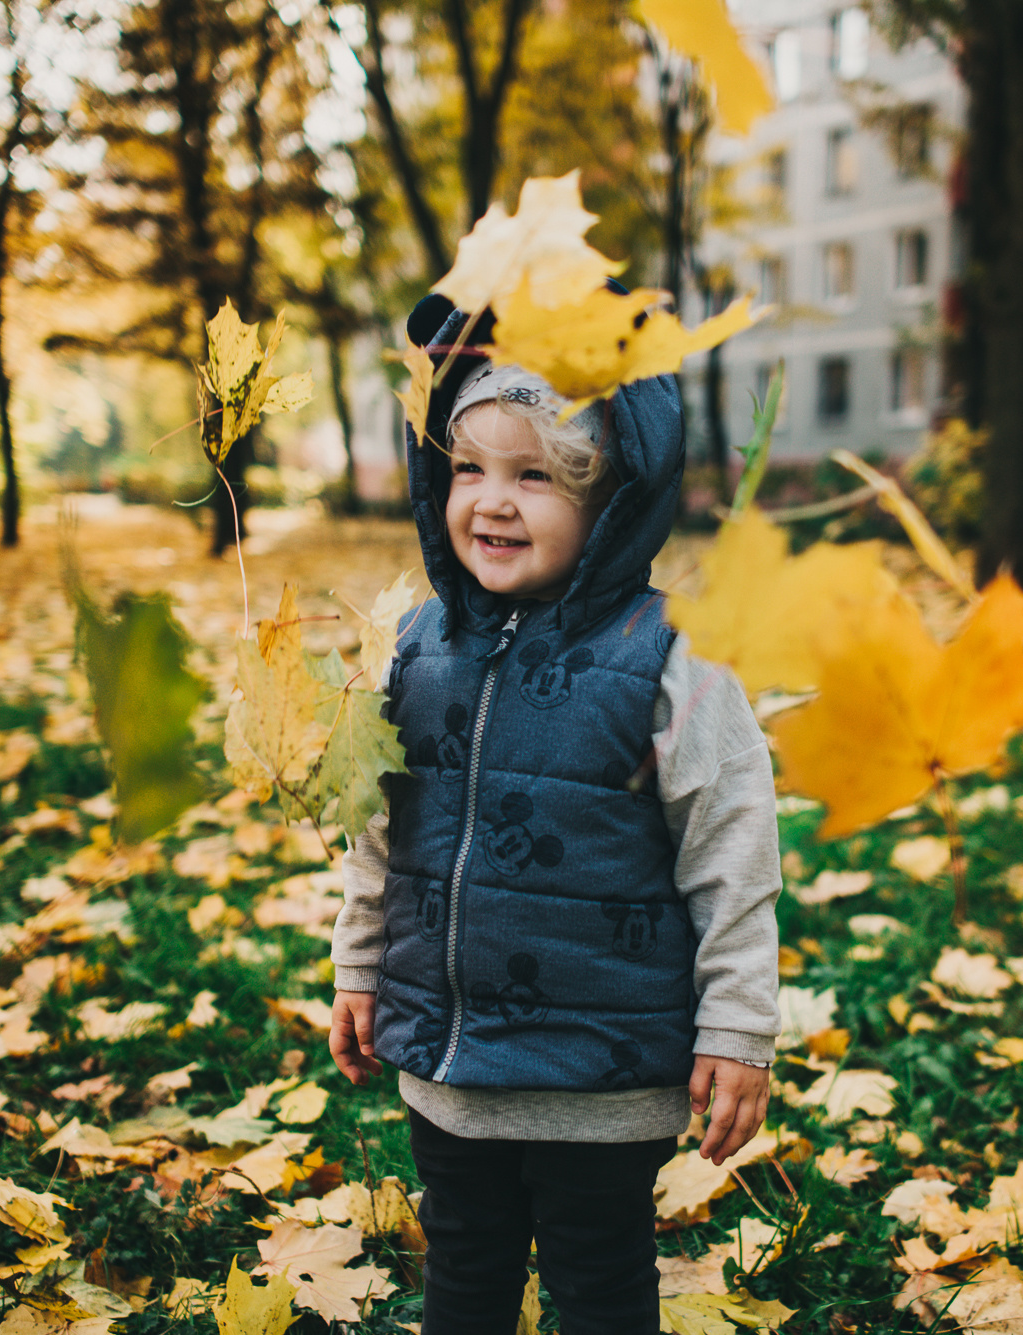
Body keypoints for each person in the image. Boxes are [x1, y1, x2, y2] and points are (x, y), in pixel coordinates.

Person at [327, 292, 782, 1335]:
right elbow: (374, 831)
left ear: (611, 498)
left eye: (534, 475)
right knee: (464, 1276)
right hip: (449, 1066)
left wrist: (739, 1028)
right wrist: (359, 965)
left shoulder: (673, 663)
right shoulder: (414, 645)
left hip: (600, 1076)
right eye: (469, 468)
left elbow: (732, 852)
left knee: (600, 1289)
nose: (491, 500)